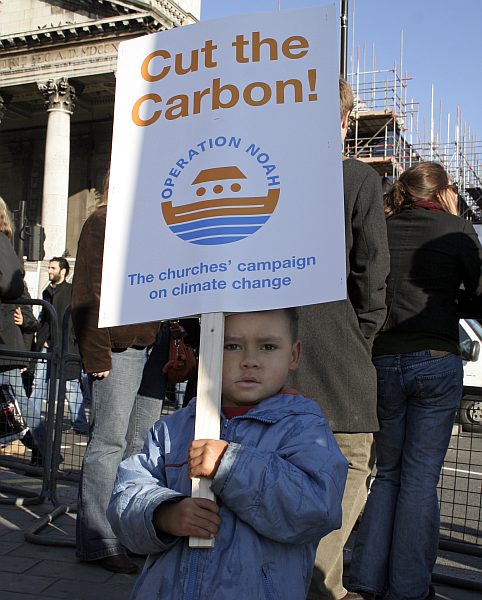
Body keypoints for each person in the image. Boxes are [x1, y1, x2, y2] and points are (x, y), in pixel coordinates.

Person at [107, 309, 348, 600]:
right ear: (208, 349)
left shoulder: (305, 429)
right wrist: (163, 513)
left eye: (268, 346)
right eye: (231, 346)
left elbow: (316, 508)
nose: (249, 360)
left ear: (294, 355)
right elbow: (125, 494)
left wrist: (232, 465)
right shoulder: (174, 428)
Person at [348, 162, 482, 600]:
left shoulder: (382, 226)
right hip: (436, 356)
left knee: (386, 474)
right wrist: (450, 300)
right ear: (443, 192)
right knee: (421, 478)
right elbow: (479, 295)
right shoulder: (456, 230)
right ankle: (408, 588)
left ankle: (367, 578)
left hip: (384, 359)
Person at [290, 78, 390, 600]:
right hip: (337, 359)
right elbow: (372, 276)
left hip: (267, 359)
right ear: (345, 122)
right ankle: (319, 581)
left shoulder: (259, 176)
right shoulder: (356, 179)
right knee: (349, 462)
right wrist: (360, 335)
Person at [71, 173, 166, 574]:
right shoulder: (102, 221)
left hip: (152, 346)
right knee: (108, 442)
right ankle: (98, 540)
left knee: (140, 445)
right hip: (119, 350)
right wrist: (96, 356)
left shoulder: (154, 224)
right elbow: (88, 293)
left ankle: (128, 532)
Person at [0, 197, 46, 460]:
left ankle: (46, 453)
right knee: (15, 403)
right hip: (4, 339)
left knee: (18, 404)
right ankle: (43, 452)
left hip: (4, 340)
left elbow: (13, 286)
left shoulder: (1, 241)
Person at [32, 256, 88, 434]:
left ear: (63, 271)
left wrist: (73, 341)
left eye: (53, 268)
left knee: (71, 386)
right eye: (49, 267)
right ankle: (32, 421)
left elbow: (77, 320)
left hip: (66, 347)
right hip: (48, 347)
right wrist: (41, 341)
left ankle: (80, 424)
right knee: (38, 384)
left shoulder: (71, 292)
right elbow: (45, 321)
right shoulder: (47, 292)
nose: (49, 270)